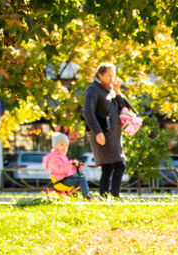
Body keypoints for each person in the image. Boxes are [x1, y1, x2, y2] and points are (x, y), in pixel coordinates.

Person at [82, 63, 133, 197]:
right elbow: (88, 112)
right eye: (109, 75)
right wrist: (98, 132)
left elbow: (126, 108)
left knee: (108, 167)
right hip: (102, 132)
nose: (112, 78)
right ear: (100, 75)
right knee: (119, 165)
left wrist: (117, 91)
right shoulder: (93, 89)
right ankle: (114, 197)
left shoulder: (110, 90)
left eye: (114, 74)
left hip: (114, 135)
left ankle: (104, 197)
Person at [42, 132, 91, 199]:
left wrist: (77, 166)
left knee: (81, 175)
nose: (64, 147)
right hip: (60, 180)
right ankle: (87, 196)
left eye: (66, 145)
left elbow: (69, 171)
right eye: (62, 145)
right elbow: (60, 170)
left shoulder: (62, 156)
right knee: (81, 179)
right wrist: (71, 164)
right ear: (56, 146)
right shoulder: (54, 158)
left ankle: (75, 195)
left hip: (65, 178)